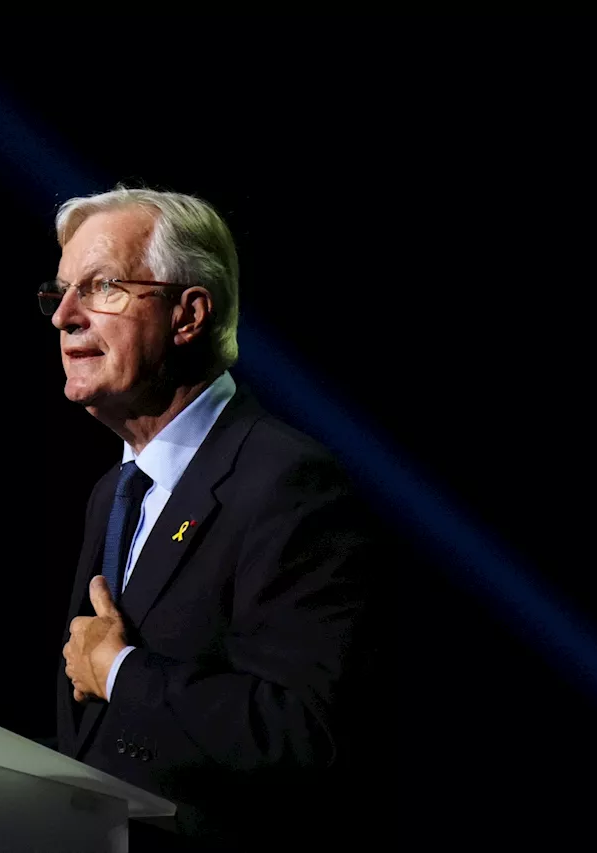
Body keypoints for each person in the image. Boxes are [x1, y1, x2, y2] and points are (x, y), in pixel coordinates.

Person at [50, 187, 380, 850]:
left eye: (101, 286)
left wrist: (119, 670)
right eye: (59, 292)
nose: (63, 316)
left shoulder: (287, 482)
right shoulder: (109, 492)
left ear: (188, 314)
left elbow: (300, 731)